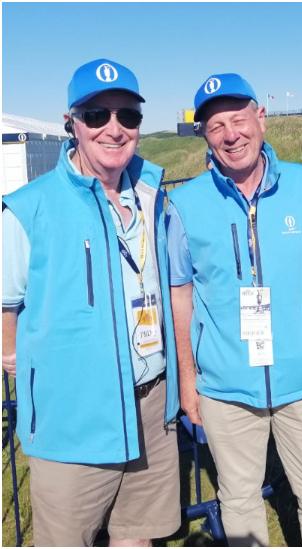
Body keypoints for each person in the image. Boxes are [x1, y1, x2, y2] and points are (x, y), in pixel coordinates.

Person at [1, 58, 179, 546]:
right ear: (71, 124)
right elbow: (5, 302)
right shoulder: (27, 208)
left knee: (137, 536)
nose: (114, 128)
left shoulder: (151, 194)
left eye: (128, 115)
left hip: (150, 402)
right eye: (96, 115)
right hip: (72, 416)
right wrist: (17, 359)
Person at [167, 73, 302, 546]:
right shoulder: (184, 204)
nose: (231, 134)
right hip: (226, 389)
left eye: (239, 119)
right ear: (204, 134)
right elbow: (180, 291)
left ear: (260, 118)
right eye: (216, 125)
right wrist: (189, 377)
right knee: (240, 499)